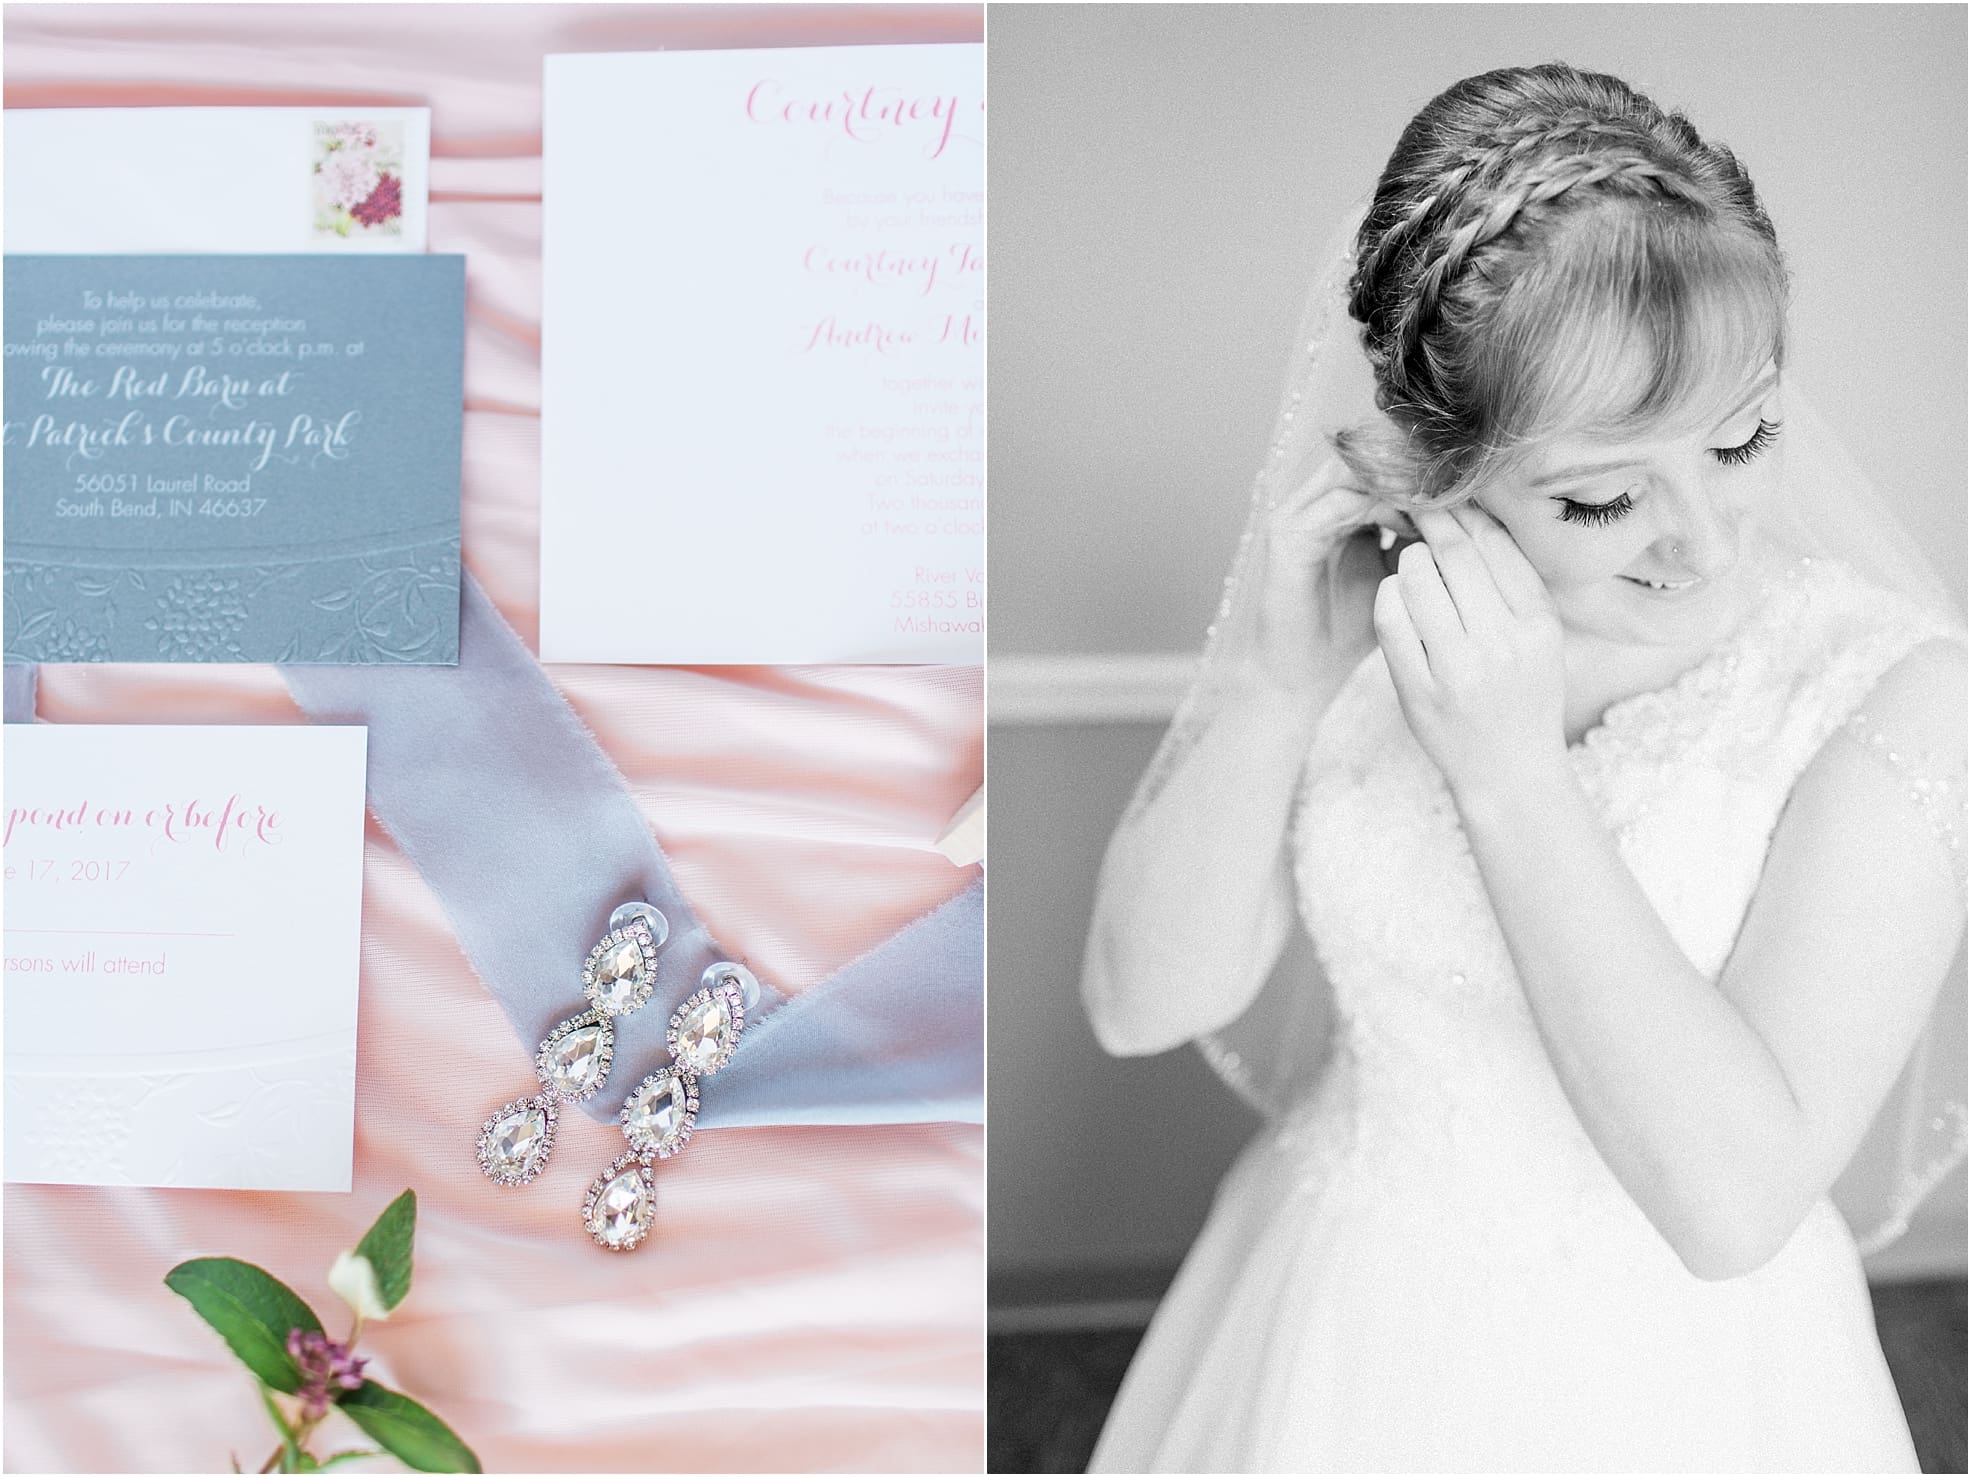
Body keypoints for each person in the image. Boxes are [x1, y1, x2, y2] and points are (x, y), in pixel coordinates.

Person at [1081, 62, 1966, 1473]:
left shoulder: (1899, 697)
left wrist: (1512, 777)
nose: (1705, 538)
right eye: (1606, 494)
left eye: (1743, 438)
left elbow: (1733, 1202)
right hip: (1337, 1306)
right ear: (1443, 470)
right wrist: (1276, 685)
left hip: (1682, 1377)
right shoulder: (1382, 619)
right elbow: (1141, 1002)